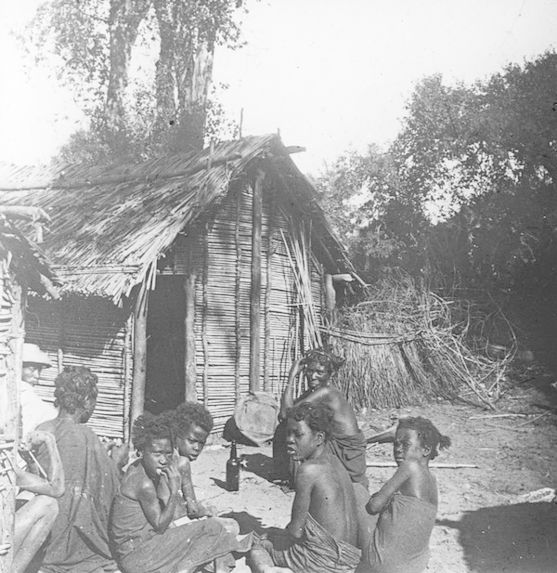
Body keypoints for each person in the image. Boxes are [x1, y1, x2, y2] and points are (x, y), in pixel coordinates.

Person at [110, 412, 251, 573]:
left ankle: (214, 566)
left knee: (213, 537)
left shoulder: (138, 468)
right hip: (139, 556)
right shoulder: (145, 484)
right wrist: (174, 487)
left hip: (135, 552)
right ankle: (185, 569)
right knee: (214, 529)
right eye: (157, 454)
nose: (163, 460)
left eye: (168, 453)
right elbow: (161, 525)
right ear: (141, 452)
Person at [249, 402, 361, 573]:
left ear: (319, 438)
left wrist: (272, 537)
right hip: (350, 559)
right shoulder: (336, 463)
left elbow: (295, 531)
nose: (289, 440)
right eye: (288, 433)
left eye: (298, 435)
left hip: (321, 563)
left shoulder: (308, 470)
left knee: (259, 546)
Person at [35, 366, 121, 573]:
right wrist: (116, 462)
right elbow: (110, 487)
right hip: (84, 546)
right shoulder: (87, 435)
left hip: (45, 531)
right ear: (87, 401)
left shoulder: (43, 429)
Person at [357, 417, 451, 573]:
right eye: (396, 444)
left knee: (357, 491)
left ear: (426, 450)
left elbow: (374, 506)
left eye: (405, 444)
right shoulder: (431, 480)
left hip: (386, 565)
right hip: (414, 564)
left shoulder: (410, 466)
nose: (398, 449)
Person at [277, 348, 368, 489]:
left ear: (329, 375)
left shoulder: (326, 393)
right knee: (289, 427)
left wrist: (291, 376)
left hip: (347, 454)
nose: (312, 376)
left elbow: (285, 414)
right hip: (336, 446)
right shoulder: (315, 392)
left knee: (289, 429)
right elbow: (285, 413)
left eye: (319, 372)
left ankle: (295, 476)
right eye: (310, 370)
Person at [0, 431, 65, 573]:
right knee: (48, 505)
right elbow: (57, 488)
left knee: (43, 502)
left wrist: (30, 461)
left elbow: (48, 489)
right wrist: (50, 441)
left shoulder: (5, 466)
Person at [20, 343, 57, 437]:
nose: (37, 375)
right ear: (19, 367)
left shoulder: (27, 392)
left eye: (39, 370)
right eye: (32, 369)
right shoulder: (24, 392)